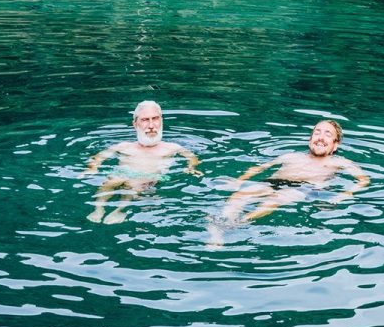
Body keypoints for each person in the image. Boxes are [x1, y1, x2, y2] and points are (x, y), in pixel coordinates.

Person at [207, 119, 368, 244]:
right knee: (239, 195)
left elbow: (363, 180)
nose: (320, 137)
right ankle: (220, 226)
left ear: (335, 145)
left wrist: (344, 195)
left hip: (304, 188)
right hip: (272, 182)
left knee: (275, 200)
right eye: (317, 132)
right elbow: (259, 168)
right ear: (309, 139)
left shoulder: (339, 162)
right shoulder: (291, 156)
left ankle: (240, 222)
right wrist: (239, 181)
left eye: (328, 134)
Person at [86, 100, 200, 224]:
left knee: (135, 185)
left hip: (148, 178)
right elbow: (99, 156)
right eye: (145, 120)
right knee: (111, 181)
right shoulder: (124, 146)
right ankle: (98, 208)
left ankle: (119, 210)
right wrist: (92, 168)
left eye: (155, 119)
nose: (151, 125)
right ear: (135, 124)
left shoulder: (172, 147)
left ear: (161, 121)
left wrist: (191, 167)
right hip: (123, 173)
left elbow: (192, 157)